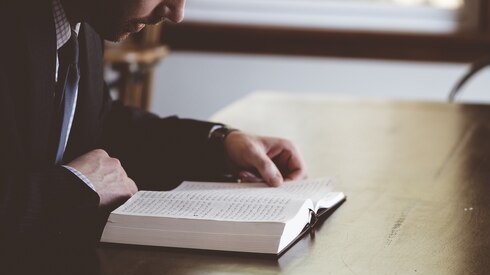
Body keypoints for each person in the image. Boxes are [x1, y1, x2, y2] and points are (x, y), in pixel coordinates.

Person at [0, 0, 307, 243]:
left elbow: (104, 124)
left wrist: (220, 144)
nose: (177, 12)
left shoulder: (84, 23)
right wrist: (72, 189)